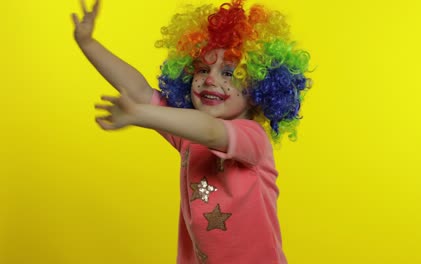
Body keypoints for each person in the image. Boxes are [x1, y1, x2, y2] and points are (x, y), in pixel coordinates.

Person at [72, 0, 312, 263]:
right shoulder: (187, 133)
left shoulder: (253, 138)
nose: (211, 80)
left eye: (230, 73)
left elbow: (212, 132)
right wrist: (89, 44)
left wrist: (140, 114)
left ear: (259, 88)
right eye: (202, 69)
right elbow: (140, 91)